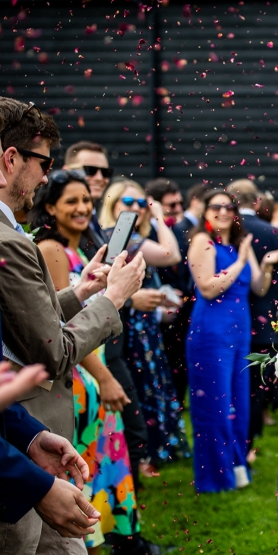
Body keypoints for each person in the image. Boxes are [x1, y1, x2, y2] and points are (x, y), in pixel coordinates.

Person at [0, 95, 145, 555]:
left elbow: (18, 320)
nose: (44, 179)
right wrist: (113, 298)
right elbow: (51, 351)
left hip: (22, 430)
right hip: (17, 431)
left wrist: (79, 293)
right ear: (13, 159)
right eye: (46, 164)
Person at [29, 169, 161, 555]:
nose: (83, 208)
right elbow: (58, 328)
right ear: (49, 207)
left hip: (93, 365)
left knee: (101, 465)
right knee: (85, 468)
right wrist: (103, 377)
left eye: (86, 200)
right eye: (71, 201)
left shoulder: (82, 250)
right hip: (77, 374)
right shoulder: (53, 249)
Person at [186, 190, 278, 493]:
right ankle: (215, 479)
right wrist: (242, 260)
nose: (221, 211)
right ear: (206, 212)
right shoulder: (203, 243)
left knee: (239, 405)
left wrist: (266, 262)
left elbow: (257, 287)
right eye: (214, 206)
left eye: (227, 207)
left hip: (239, 333)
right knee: (214, 406)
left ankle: (236, 467)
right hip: (211, 333)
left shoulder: (238, 245)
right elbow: (207, 288)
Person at [99, 179, 190, 472]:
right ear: (112, 206)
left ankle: (149, 452)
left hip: (144, 325)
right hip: (127, 323)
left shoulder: (134, 235)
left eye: (141, 203)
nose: (136, 208)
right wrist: (160, 217)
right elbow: (171, 254)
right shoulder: (117, 236)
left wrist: (153, 216)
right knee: (139, 384)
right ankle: (142, 454)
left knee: (150, 383)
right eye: (128, 203)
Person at [229, 179, 278, 459]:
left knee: (230, 384)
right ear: (256, 202)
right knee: (255, 387)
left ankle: (230, 441)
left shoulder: (224, 231)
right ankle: (249, 443)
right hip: (265, 317)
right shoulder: (275, 233)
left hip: (229, 317)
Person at [146, 177, 194, 405]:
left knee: (180, 363)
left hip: (182, 310)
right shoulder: (147, 233)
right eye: (171, 205)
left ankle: (177, 403)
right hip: (154, 310)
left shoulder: (184, 230)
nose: (178, 209)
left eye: (179, 203)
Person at [63, 141, 112, 256]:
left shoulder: (94, 217)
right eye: (90, 170)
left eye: (105, 172)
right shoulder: (59, 220)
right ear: (66, 171)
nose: (99, 178)